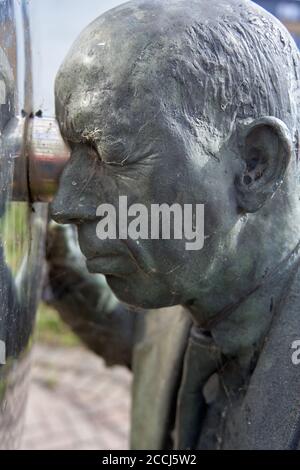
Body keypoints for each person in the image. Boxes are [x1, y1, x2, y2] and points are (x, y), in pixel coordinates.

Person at [46, 0, 300, 449]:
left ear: (255, 165)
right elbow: (131, 338)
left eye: (113, 154)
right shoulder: (188, 295)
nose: (64, 204)